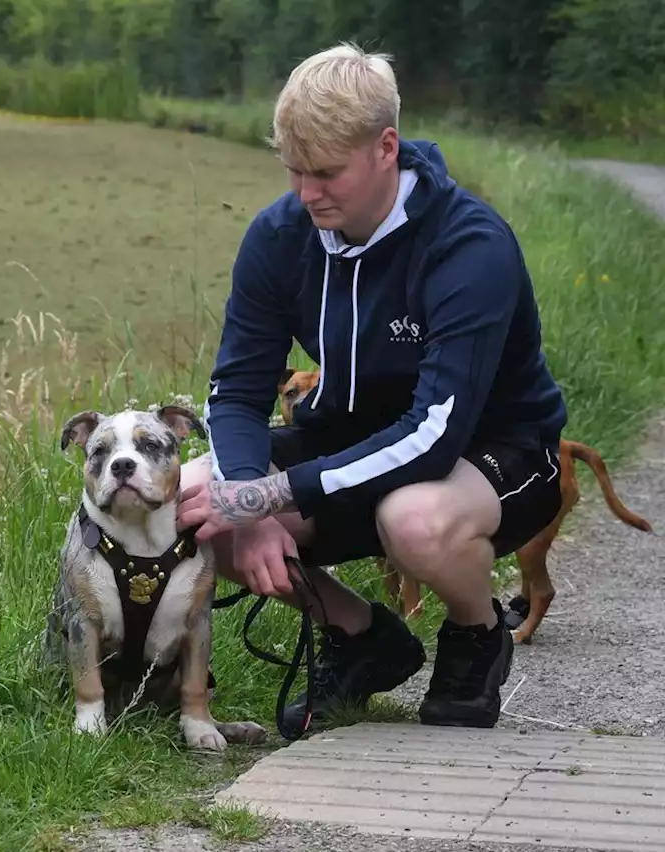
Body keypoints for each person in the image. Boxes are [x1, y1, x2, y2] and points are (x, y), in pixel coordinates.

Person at [174, 42, 568, 731]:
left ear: (386, 147)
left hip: (491, 453)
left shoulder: (469, 245)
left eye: (326, 173)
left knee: (411, 519)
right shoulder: (279, 236)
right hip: (352, 441)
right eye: (294, 171)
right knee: (192, 501)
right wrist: (248, 496)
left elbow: (433, 435)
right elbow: (237, 389)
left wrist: (276, 493)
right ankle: (364, 639)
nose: (306, 194)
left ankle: (477, 635)